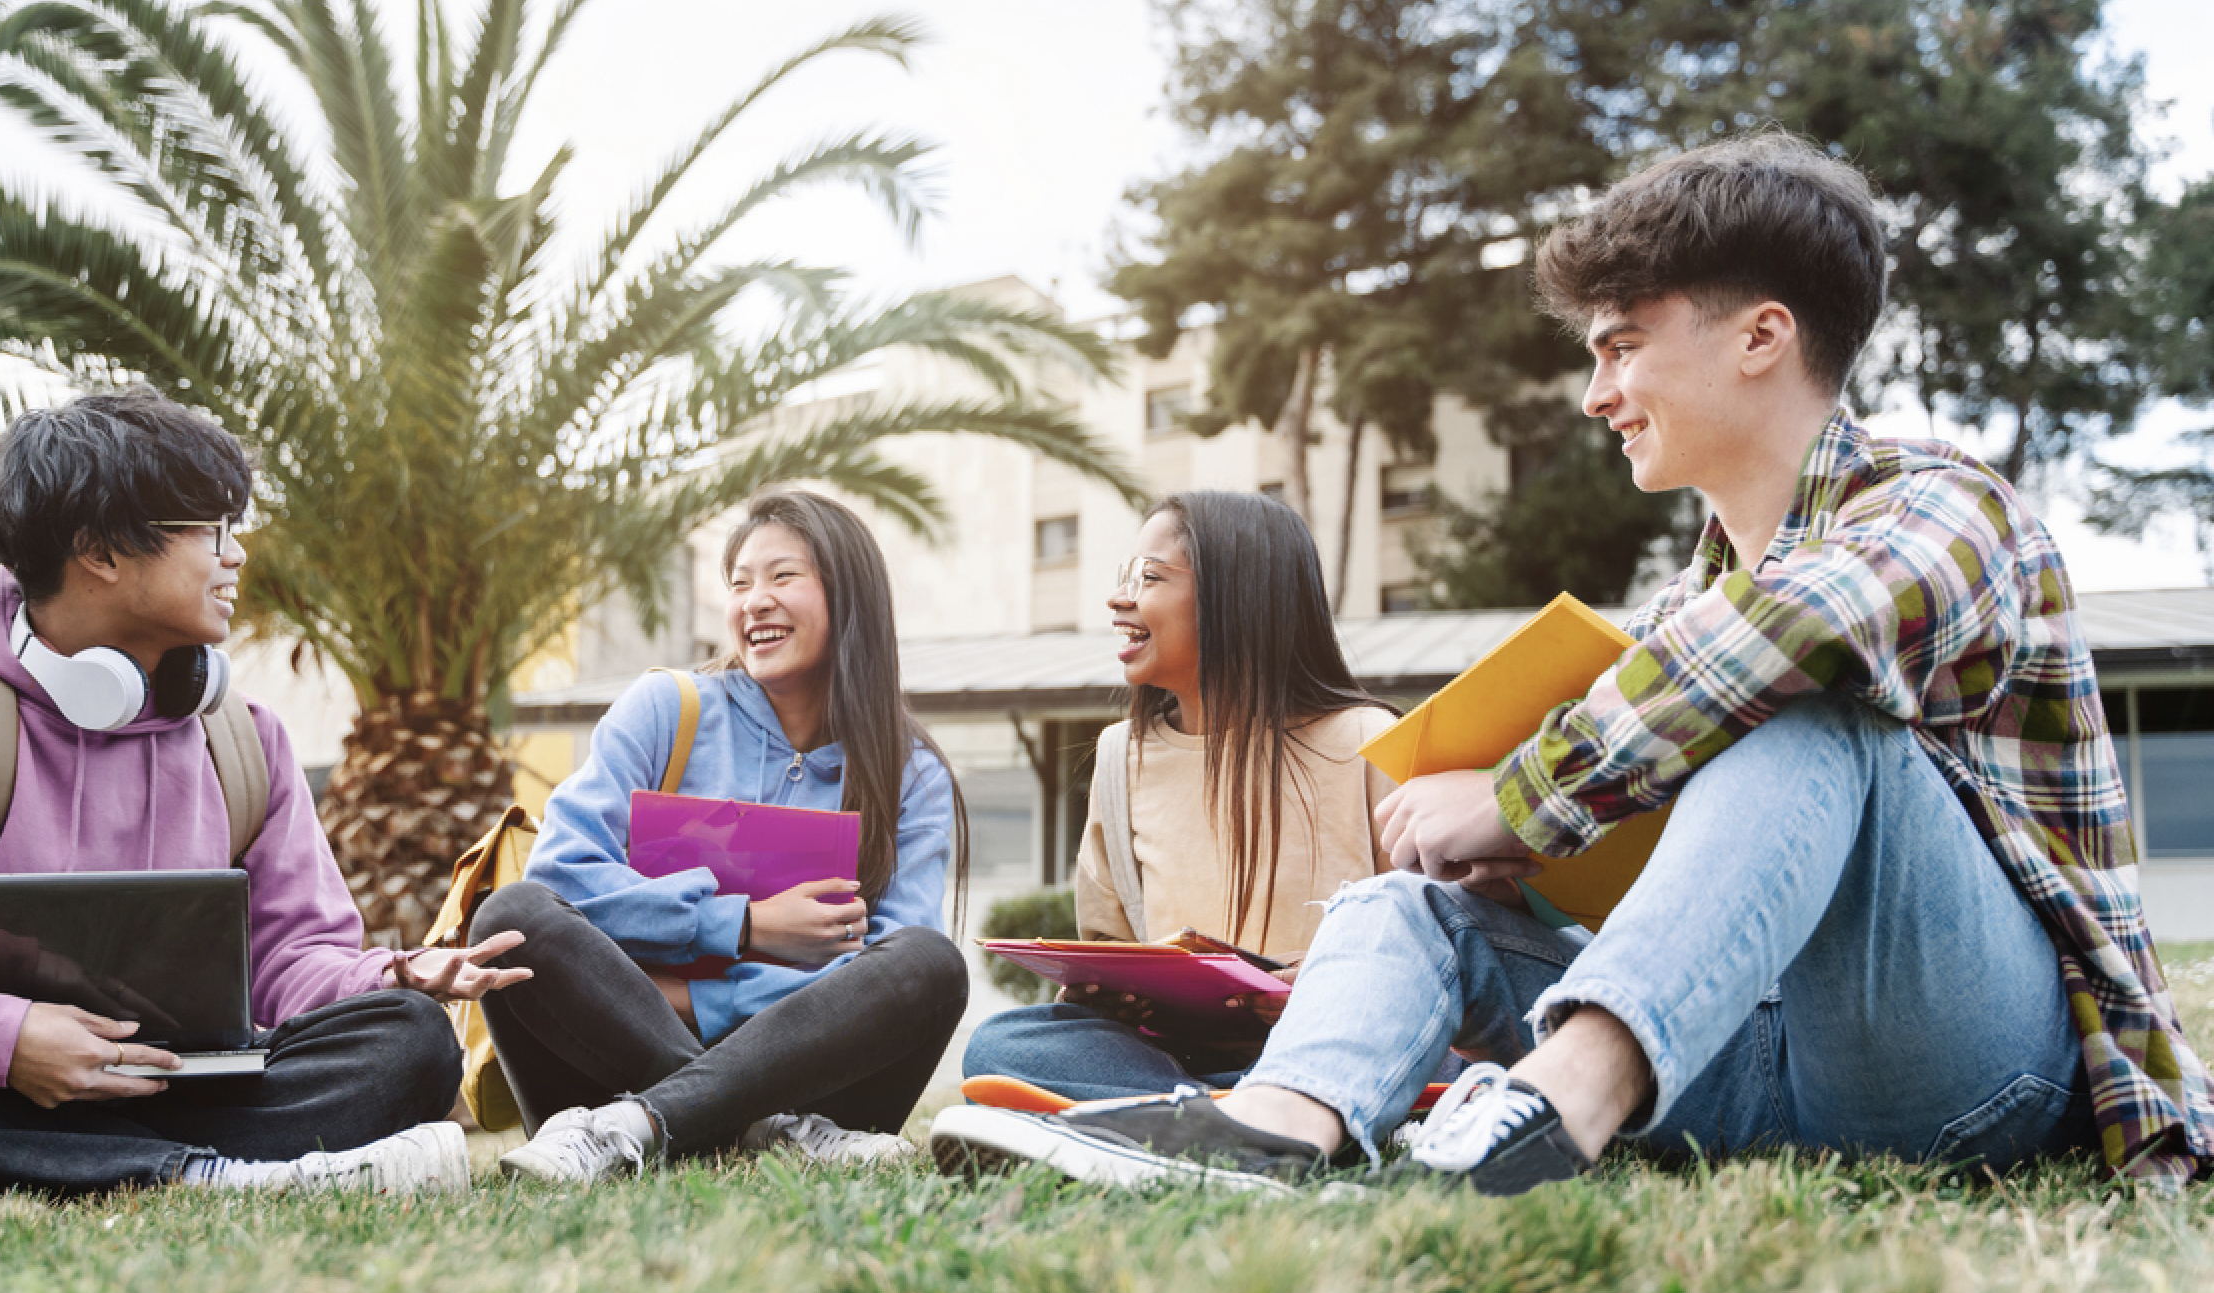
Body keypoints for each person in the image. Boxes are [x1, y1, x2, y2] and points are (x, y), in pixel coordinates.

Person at [932, 132, 2214, 1195]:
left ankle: (1547, 1113)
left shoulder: (1944, 507)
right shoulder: (1685, 599)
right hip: (1742, 1048)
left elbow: (1790, 642)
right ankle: (1279, 1127)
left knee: (1809, 714)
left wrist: (1511, 796)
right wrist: (1520, 859)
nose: (1597, 393)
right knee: (1404, 907)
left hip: (1967, 1059)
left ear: (1761, 336)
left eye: (1621, 345)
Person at [0, 390, 525, 1222]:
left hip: (188, 1088)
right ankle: (212, 1177)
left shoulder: (247, 741)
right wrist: (0, 1038)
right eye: (211, 532)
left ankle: (17, 1178)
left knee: (411, 1040)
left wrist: (389, 976)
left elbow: (290, 964)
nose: (236, 556)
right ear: (101, 550)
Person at [471, 489, 970, 1186]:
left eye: (782, 576)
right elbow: (562, 876)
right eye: (739, 583)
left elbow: (892, 978)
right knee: (511, 919)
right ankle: (759, 1135)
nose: (754, 601)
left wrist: (687, 993)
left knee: (932, 964)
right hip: (616, 1055)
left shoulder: (911, 775)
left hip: (807, 1081)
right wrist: (744, 927)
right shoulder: (664, 710)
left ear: (848, 596)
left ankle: (643, 1125)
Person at [959, 490, 1401, 1100]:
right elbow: (1108, 946)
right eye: (1125, 577)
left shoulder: (1367, 741)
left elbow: (1434, 940)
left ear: (1237, 597)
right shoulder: (1122, 756)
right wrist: (1106, 992)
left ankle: (1196, 1111)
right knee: (1001, 1044)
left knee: (1433, 1052)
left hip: (1336, 1037)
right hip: (1179, 1057)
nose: (1119, 600)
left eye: (1150, 577)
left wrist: (1331, 984)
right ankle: (1230, 1109)